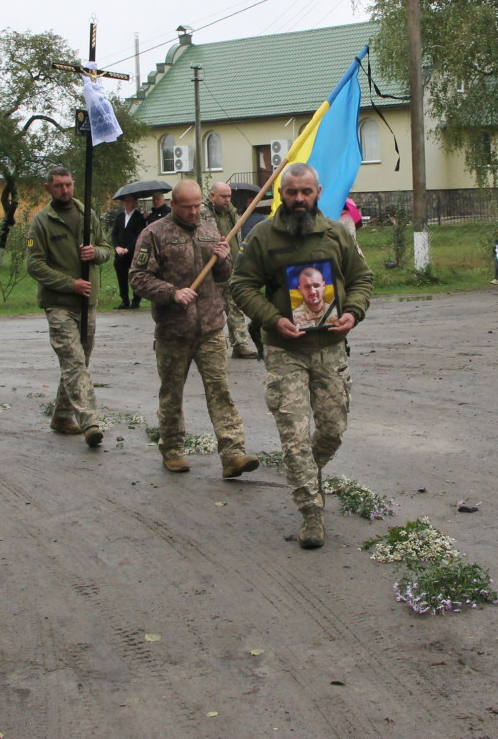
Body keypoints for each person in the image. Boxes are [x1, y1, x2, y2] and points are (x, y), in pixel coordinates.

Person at [231, 163, 373, 550]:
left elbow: (362, 278)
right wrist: (271, 319)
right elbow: (241, 285)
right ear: (280, 193)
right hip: (284, 351)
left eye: (305, 192)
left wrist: (352, 313)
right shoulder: (262, 236)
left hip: (329, 348)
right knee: (294, 438)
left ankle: (306, 471)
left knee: (332, 431)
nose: (298, 199)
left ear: (318, 192)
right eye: (291, 192)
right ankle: (311, 513)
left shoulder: (336, 234)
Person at [129, 179, 260, 479]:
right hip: (173, 330)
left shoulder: (209, 230)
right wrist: (172, 292)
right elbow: (137, 277)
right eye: (186, 206)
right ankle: (173, 448)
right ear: (173, 204)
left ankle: (233, 453)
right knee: (172, 393)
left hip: (211, 328)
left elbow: (222, 276)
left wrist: (224, 259)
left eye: (197, 205)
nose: (193, 212)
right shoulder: (154, 234)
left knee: (220, 391)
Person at [26, 165, 111, 447]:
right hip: (59, 304)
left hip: (88, 302)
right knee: (74, 363)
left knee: (79, 362)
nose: (65, 190)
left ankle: (62, 416)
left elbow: (106, 249)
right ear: (48, 188)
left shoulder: (88, 215)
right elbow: (34, 264)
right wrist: (69, 283)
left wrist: (95, 252)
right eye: (59, 185)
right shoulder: (41, 222)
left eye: (69, 184)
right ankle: (90, 422)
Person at [201, 181, 258, 359]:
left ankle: (240, 344)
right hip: (209, 268)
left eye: (229, 196)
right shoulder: (202, 213)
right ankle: (205, 345)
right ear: (212, 196)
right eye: (223, 196)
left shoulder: (232, 212)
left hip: (231, 265)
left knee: (235, 306)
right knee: (210, 308)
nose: (227, 200)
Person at [111, 194, 147, 309]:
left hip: (132, 253)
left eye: (129, 201)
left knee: (135, 276)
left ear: (134, 202)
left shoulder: (139, 217)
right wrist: (117, 247)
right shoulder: (120, 216)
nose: (127, 204)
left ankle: (136, 300)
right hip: (120, 253)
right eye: (125, 201)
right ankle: (124, 300)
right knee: (121, 277)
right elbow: (114, 233)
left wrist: (128, 249)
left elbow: (139, 235)